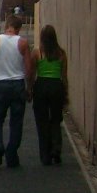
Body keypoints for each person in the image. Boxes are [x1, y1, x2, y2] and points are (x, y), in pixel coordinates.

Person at [0, 14, 33, 167]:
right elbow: (29, 68)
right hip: (18, 85)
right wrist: (29, 87)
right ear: (18, 29)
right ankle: (11, 153)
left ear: (7, 26)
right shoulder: (23, 43)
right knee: (16, 121)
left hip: (1, 85)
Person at [31, 24, 69, 165]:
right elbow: (64, 76)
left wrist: (29, 89)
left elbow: (32, 73)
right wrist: (66, 93)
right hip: (56, 86)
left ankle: (45, 155)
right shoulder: (61, 53)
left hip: (41, 86)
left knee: (42, 121)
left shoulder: (37, 52)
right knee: (56, 119)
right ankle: (56, 149)